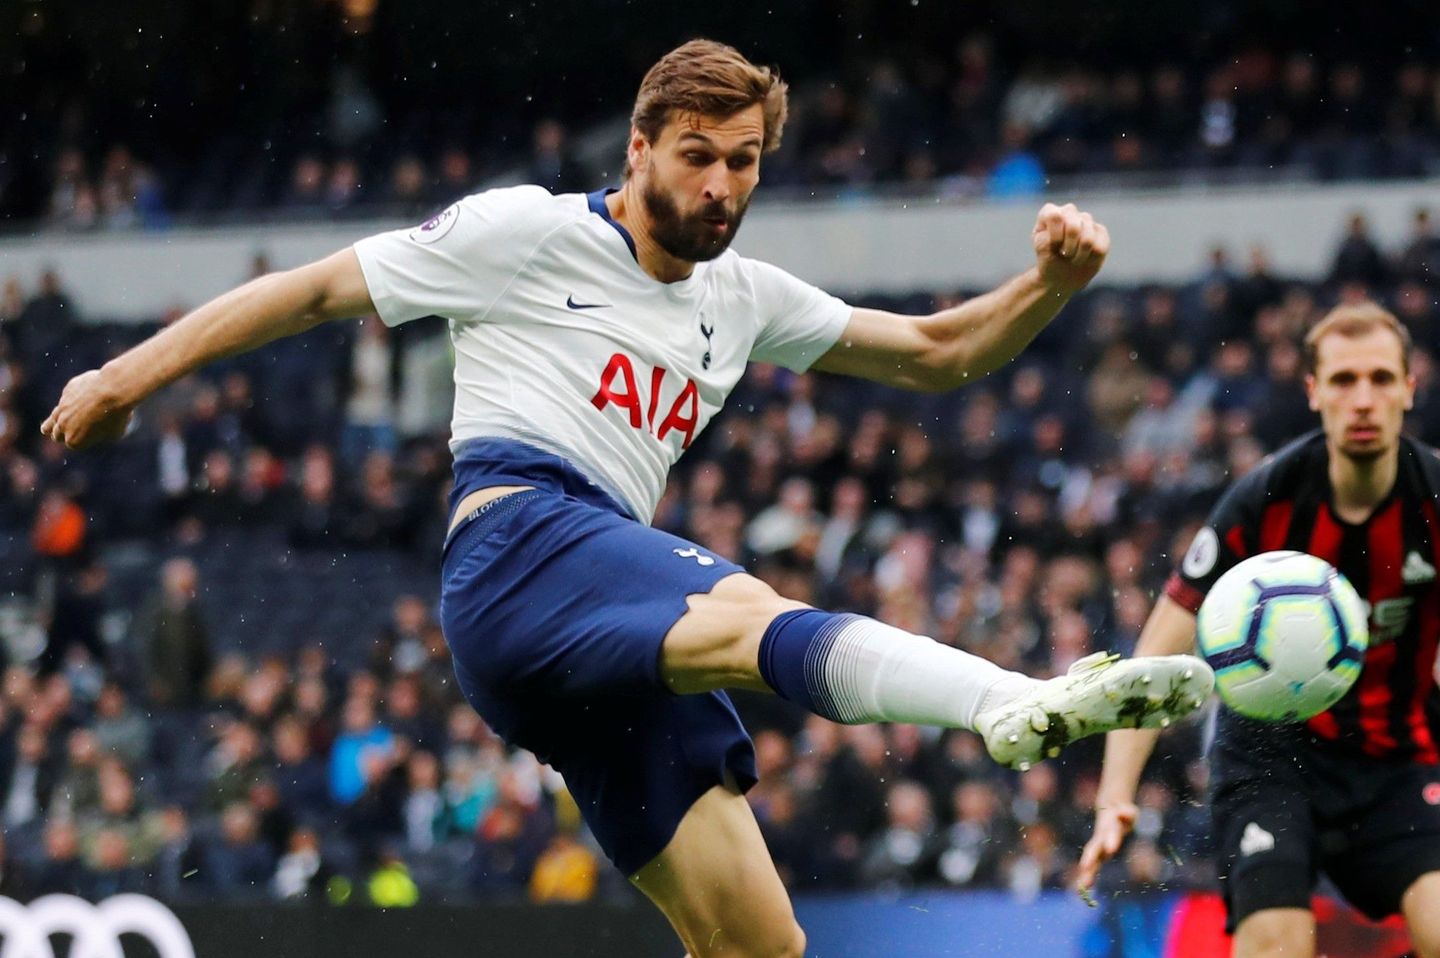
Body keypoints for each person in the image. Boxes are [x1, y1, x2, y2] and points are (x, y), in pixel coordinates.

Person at [43, 39, 1210, 957]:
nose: (720, 183)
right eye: (696, 153)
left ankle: (1009, 700)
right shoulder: (528, 232)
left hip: (597, 624)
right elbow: (309, 292)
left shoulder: (742, 295)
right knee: (751, 608)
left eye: (744, 160)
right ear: (641, 144)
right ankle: (1011, 701)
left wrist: (1049, 286)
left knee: (758, 938)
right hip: (519, 542)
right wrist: (119, 375)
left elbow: (936, 350)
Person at [1078, 303, 1440, 958]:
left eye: (1382, 379)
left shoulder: (1436, 498)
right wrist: (1114, 797)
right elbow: (1155, 656)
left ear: (1410, 387)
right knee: (1274, 945)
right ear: (1312, 391)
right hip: (1273, 759)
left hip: (1397, 756)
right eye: (1343, 380)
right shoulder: (1264, 499)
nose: (1363, 399)